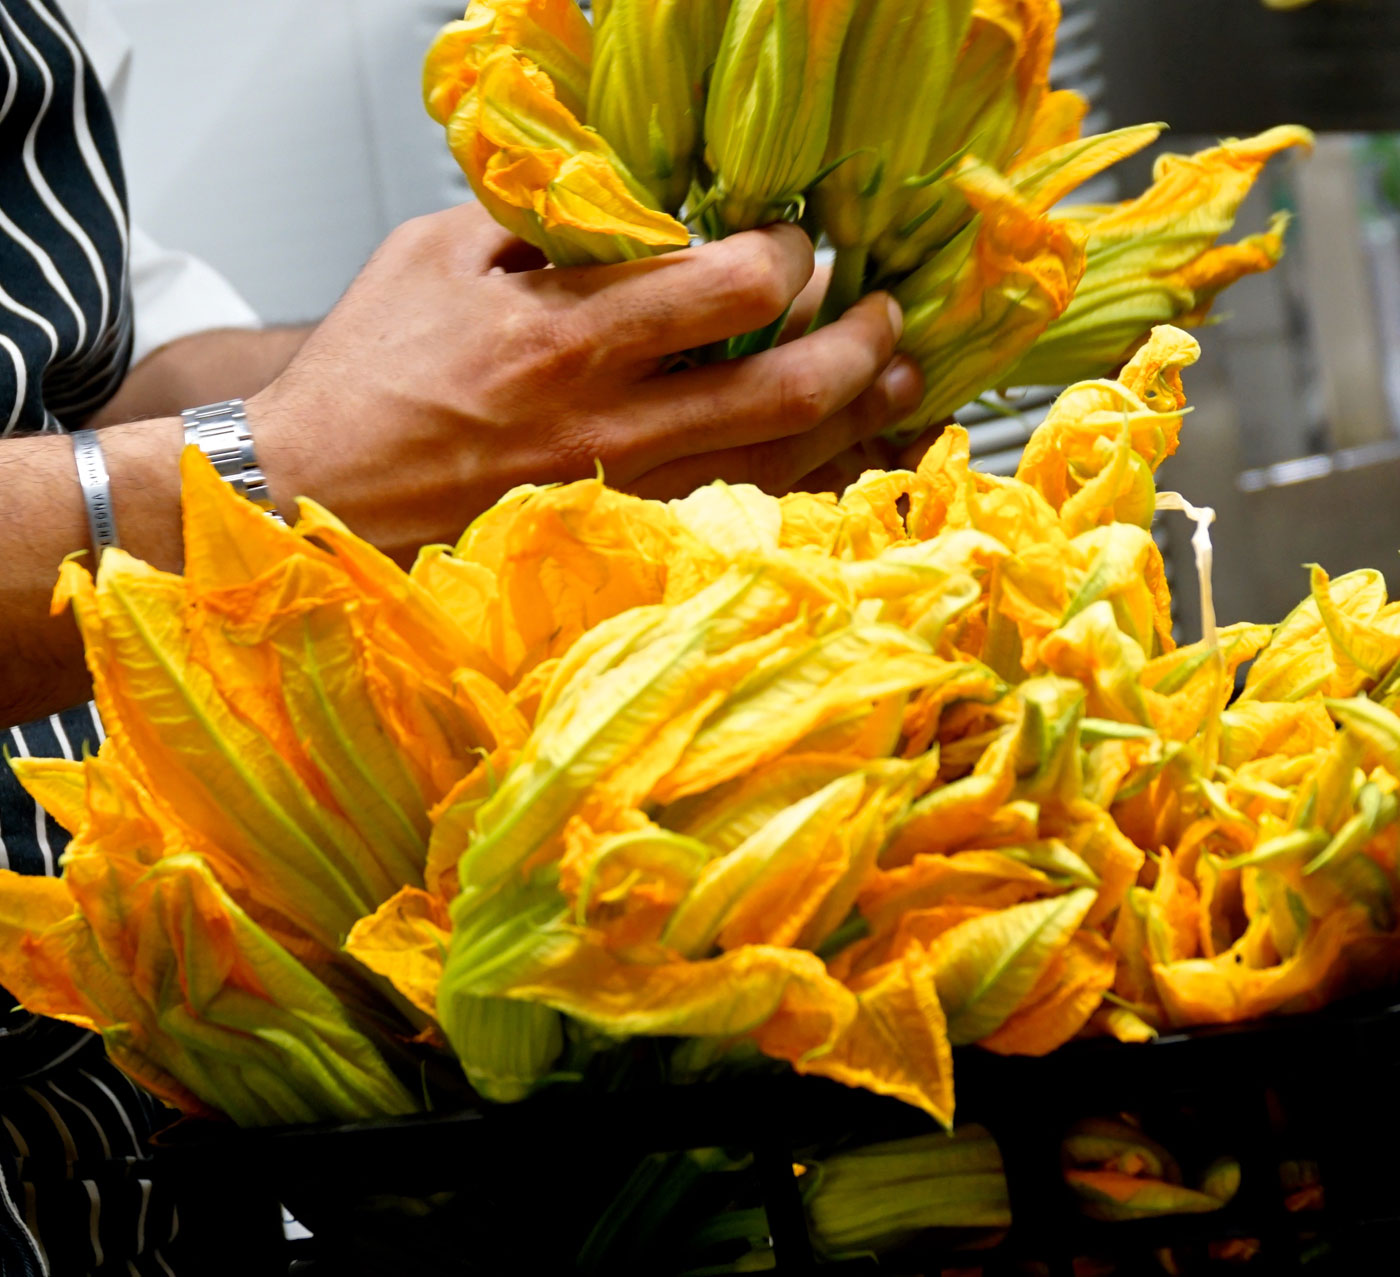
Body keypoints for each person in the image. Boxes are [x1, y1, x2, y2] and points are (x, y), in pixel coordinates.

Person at [0, 0, 924, 1270]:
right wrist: (278, 469)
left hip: (116, 1137)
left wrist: (573, 383)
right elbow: (244, 451)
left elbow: (86, 376)